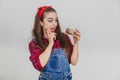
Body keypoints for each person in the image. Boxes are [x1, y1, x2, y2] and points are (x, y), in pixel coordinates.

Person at [28, 5, 80, 80]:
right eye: (50, 20)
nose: (55, 24)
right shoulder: (34, 43)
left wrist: (76, 43)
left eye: (56, 20)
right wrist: (50, 44)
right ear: (41, 22)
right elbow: (39, 65)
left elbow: (74, 62)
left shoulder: (64, 37)